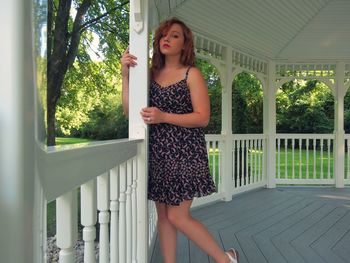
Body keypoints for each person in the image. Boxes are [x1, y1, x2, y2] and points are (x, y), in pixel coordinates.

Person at [121, 17, 238, 263]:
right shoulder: (149, 74)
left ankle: (225, 260)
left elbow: (202, 117)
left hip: (186, 152)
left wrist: (163, 116)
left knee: (177, 217)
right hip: (158, 153)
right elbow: (129, 112)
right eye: (163, 34)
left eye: (174, 35)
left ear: (185, 44)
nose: (166, 38)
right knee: (163, 217)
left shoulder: (191, 74)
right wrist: (125, 76)